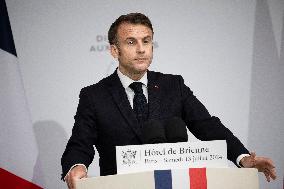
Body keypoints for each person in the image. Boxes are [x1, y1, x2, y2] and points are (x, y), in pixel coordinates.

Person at [61, 13, 276, 189]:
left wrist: (243, 157)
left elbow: (207, 126)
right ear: (114, 50)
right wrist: (75, 166)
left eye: (146, 41)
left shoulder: (174, 86)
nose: (141, 49)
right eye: (131, 42)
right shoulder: (94, 96)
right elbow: (80, 142)